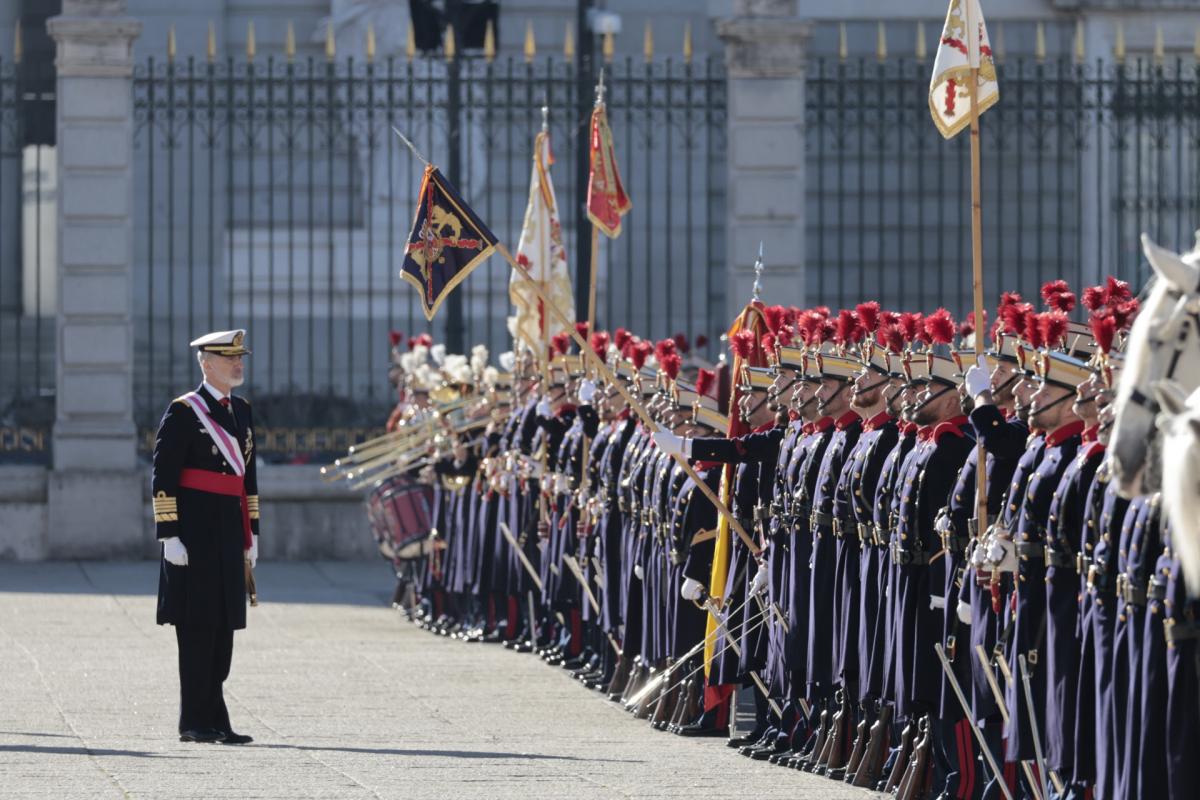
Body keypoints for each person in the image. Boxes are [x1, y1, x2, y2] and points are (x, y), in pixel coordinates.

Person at [153, 329, 259, 744]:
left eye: (240, 358)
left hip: (230, 532)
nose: (238, 364)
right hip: (194, 535)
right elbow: (163, 476)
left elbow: (248, 479)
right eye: (229, 358)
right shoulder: (184, 411)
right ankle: (195, 720)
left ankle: (217, 718)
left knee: (224, 629)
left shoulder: (242, 410)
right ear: (206, 363)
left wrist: (253, 532)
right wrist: (169, 535)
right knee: (197, 628)